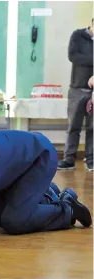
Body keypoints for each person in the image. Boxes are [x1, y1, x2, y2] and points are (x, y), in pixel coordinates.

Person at [58, 19, 93, 172]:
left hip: (93, 91)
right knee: (73, 127)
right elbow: (73, 56)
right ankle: (69, 159)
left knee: (92, 127)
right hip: (77, 89)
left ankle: (91, 160)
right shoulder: (78, 36)